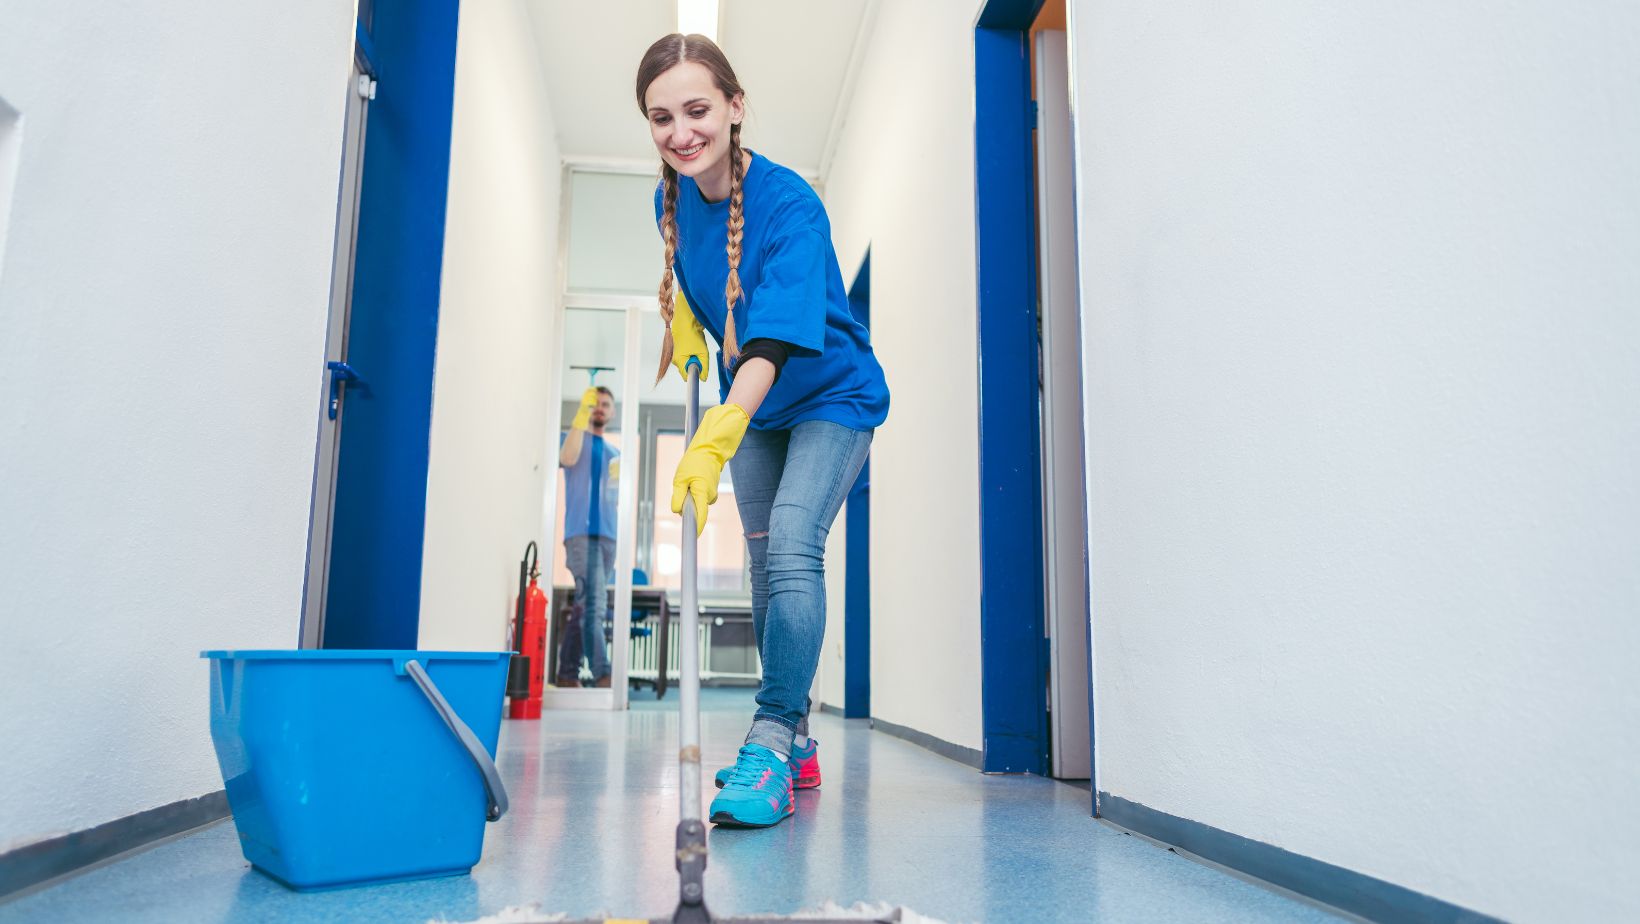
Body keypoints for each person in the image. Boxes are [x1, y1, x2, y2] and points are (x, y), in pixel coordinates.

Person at [637, 34, 890, 827]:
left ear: (736, 107)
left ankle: (772, 741)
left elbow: (773, 342)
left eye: (698, 109)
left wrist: (717, 434)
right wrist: (684, 322)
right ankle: (800, 736)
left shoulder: (790, 204)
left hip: (829, 398)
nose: (682, 132)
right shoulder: (669, 199)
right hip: (755, 407)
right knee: (759, 569)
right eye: (661, 116)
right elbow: (705, 283)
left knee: (791, 546)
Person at [559, 385, 620, 688]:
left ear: (612, 412)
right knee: (594, 604)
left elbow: (614, 496)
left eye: (605, 404)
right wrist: (580, 413)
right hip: (581, 535)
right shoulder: (575, 440)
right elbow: (567, 459)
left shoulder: (614, 454)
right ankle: (603, 673)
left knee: (584, 605)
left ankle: (567, 674)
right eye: (594, 403)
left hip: (608, 538)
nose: (600, 408)